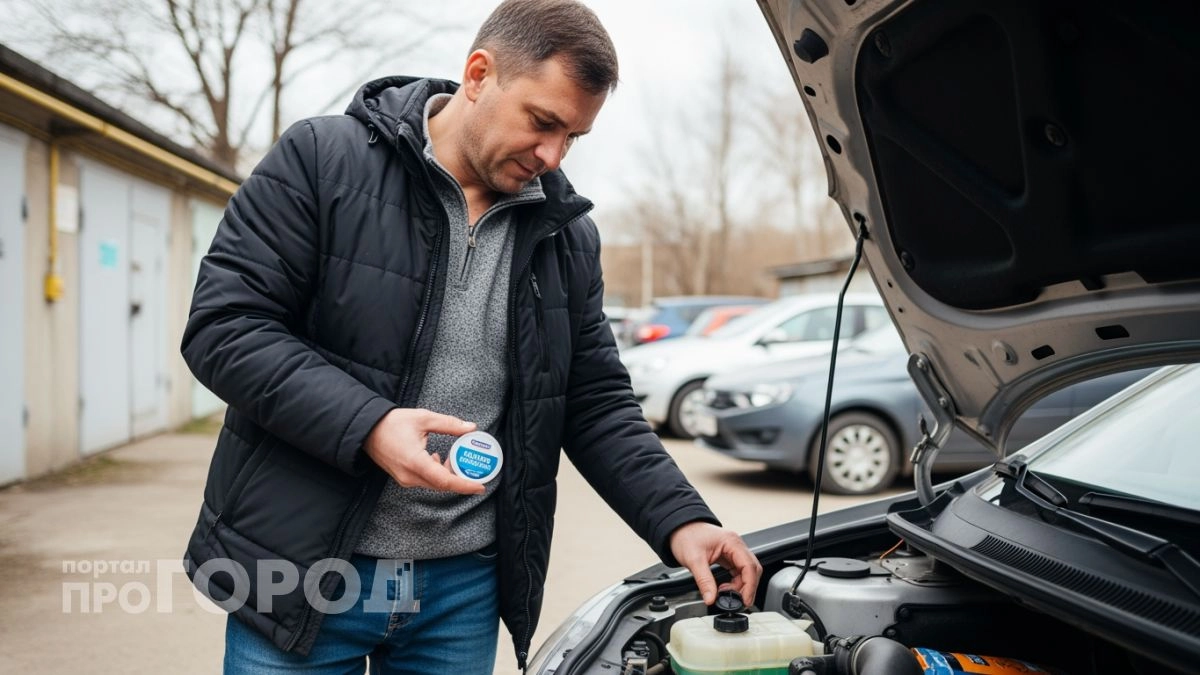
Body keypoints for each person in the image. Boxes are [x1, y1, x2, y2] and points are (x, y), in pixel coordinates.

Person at [181, 0, 761, 672]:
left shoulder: (566, 237)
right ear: (479, 74)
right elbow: (225, 327)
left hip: (459, 593)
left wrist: (680, 519)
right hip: (302, 570)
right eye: (543, 122)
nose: (552, 155)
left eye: (573, 136)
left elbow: (595, 400)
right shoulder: (320, 161)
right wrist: (371, 425)